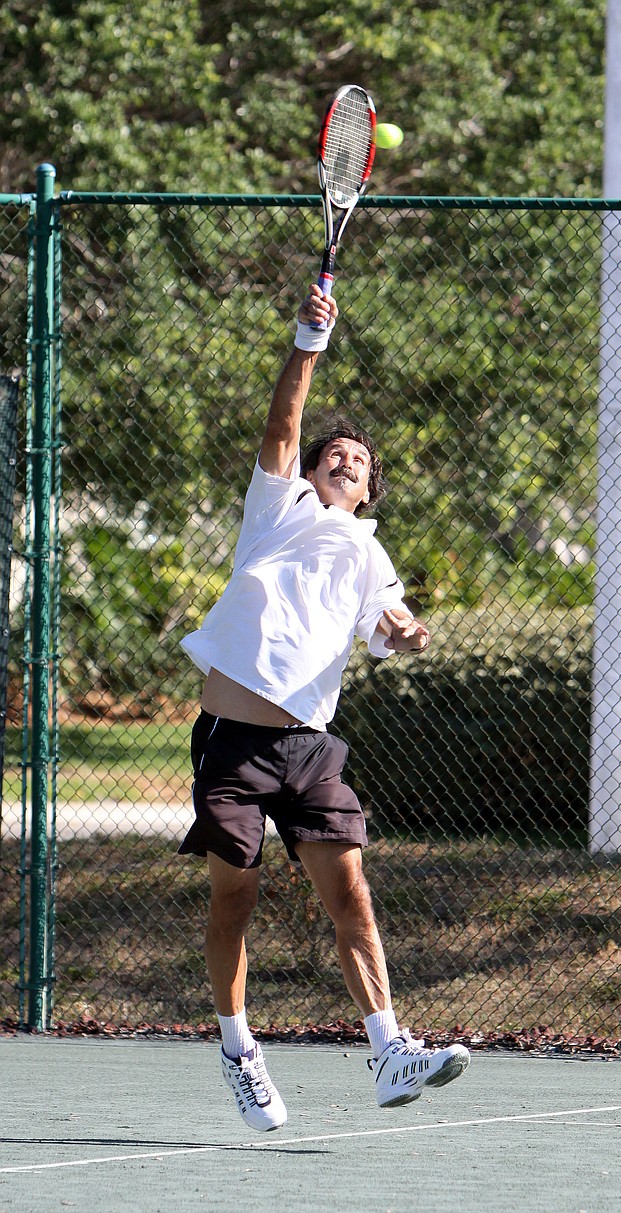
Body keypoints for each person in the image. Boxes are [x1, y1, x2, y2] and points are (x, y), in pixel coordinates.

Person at [178, 283, 470, 1132]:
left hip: (310, 746)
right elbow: (282, 422)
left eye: (359, 460)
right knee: (235, 899)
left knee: (352, 894)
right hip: (233, 739)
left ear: (371, 488)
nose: (345, 459)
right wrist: (308, 341)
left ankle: (388, 1049)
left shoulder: (371, 556)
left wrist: (407, 633)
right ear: (312, 471)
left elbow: (390, 626)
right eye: (332, 452)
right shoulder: (280, 511)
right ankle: (238, 1048)